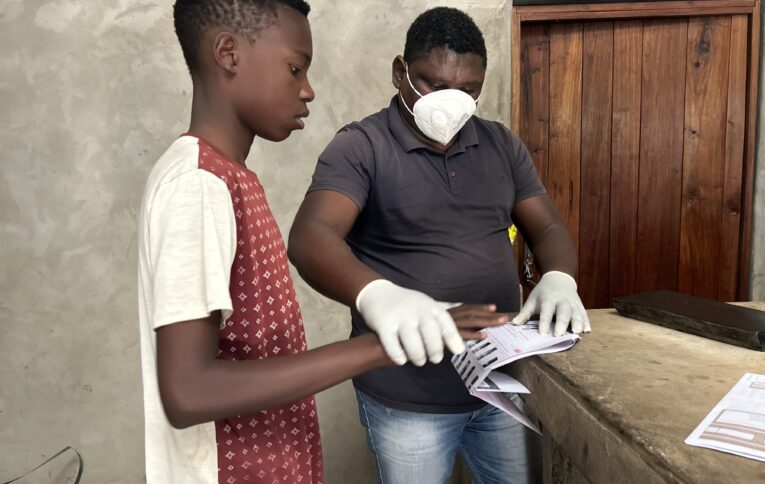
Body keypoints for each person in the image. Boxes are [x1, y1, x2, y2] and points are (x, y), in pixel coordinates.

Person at [137, 2, 506, 482]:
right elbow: (189, 392)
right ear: (228, 53)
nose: (308, 91)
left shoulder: (231, 178)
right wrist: (383, 345)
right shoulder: (198, 184)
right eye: (295, 69)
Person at [288, 6, 592, 483]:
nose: (451, 101)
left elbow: (547, 227)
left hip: (501, 385)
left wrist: (559, 276)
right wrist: (377, 293)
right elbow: (312, 238)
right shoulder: (361, 147)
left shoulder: (501, 146)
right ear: (399, 73)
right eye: (433, 84)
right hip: (407, 399)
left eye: (469, 89)